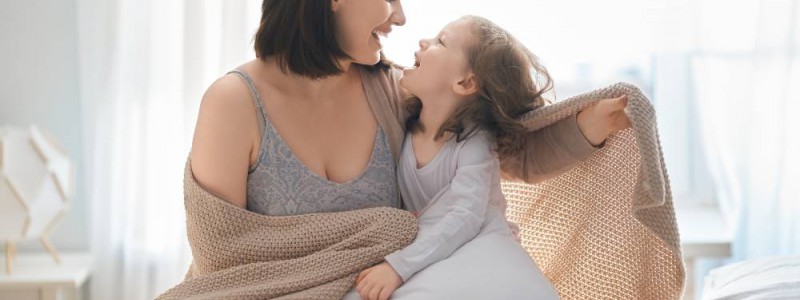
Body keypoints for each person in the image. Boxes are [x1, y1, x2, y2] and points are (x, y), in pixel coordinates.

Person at [189, 0, 631, 298]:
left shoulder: (391, 89)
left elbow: (503, 153)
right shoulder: (234, 102)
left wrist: (588, 127)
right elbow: (224, 255)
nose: (399, 18)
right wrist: (382, 228)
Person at [352, 15, 624, 300]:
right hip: (433, 254)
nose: (423, 41)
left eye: (440, 42)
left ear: (465, 82)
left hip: (483, 247)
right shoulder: (402, 122)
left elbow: (466, 215)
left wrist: (399, 267)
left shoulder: (473, 141)